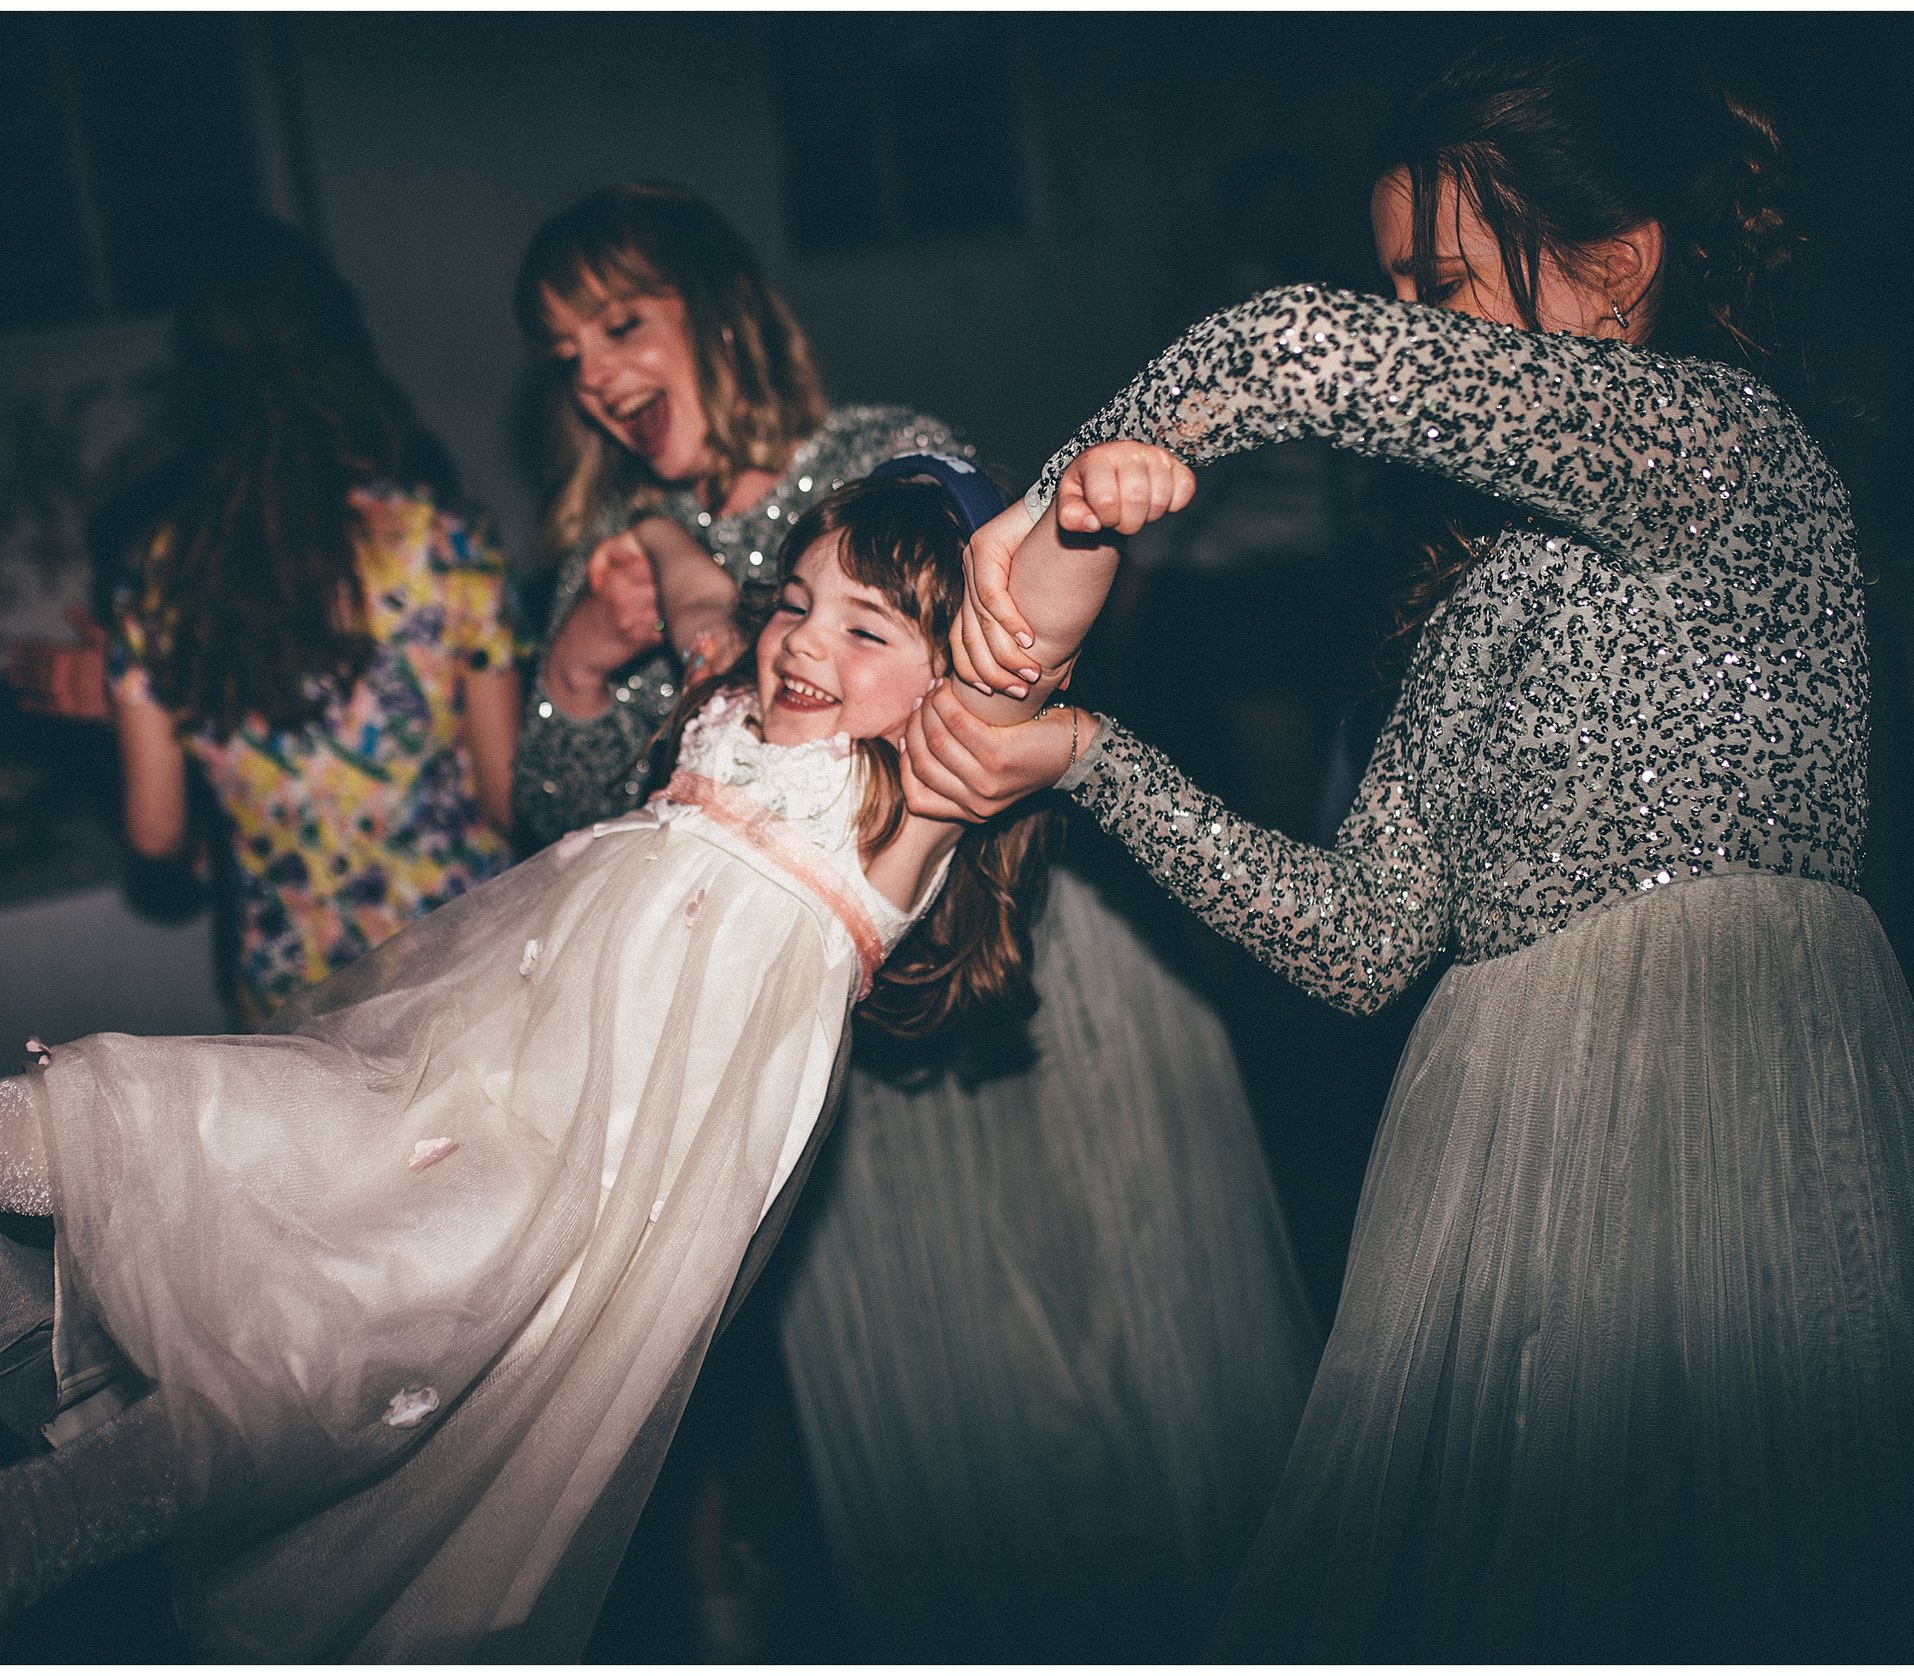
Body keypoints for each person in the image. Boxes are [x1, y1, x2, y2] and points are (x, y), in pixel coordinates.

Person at [912, 29, 1914, 1662]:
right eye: (1397, 294)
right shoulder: (1465, 606)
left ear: (1618, 264)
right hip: (1489, 1139)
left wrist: (1064, 499)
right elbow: (1356, 941)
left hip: (1711, 1093)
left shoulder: (1724, 452)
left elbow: (1297, 352)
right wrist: (1085, 755)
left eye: (1437, 288)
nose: (1406, 337)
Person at [0, 472, 1125, 1660]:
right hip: (454, 1078)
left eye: (869, 629)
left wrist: (1089, 513)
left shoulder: (911, 797)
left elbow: (1034, 627)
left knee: (300, 1365)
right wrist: (669, 560)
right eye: (798, 604)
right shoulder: (739, 717)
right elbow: (695, 580)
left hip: (567, 1199)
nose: (809, 643)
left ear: (959, 678)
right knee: (184, 1114)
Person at [513, 182, 1317, 1658]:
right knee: (968, 1437)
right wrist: (575, 670)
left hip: (1038, 976)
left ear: (717, 305)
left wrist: (742, 600)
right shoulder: (601, 562)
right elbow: (575, 839)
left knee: (1149, 1365)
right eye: (564, 353)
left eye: (621, 322)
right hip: (826, 1062)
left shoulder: (882, 458)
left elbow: (1030, 640)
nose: (599, 374)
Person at [24, 215, 520, 1025]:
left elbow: (156, 840)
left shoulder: (158, 572)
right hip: (465, 977)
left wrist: (133, 708)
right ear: (343, 353)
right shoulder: (443, 534)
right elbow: (508, 799)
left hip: (300, 999)